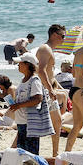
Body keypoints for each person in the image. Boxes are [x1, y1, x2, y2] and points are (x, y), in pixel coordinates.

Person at [5, 53, 48, 155]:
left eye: (20, 63)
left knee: (30, 153)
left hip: (30, 122)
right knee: (22, 151)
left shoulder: (34, 81)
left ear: (27, 65)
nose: (18, 65)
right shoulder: (23, 80)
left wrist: (18, 105)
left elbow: (38, 98)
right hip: (22, 121)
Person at [36, 24, 67, 155]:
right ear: (54, 35)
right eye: (62, 36)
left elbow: (50, 74)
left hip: (47, 90)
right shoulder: (45, 49)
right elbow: (41, 70)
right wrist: (50, 89)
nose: (64, 39)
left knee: (57, 121)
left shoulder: (49, 50)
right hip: (43, 90)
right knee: (32, 123)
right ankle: (55, 153)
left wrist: (61, 89)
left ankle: (55, 153)